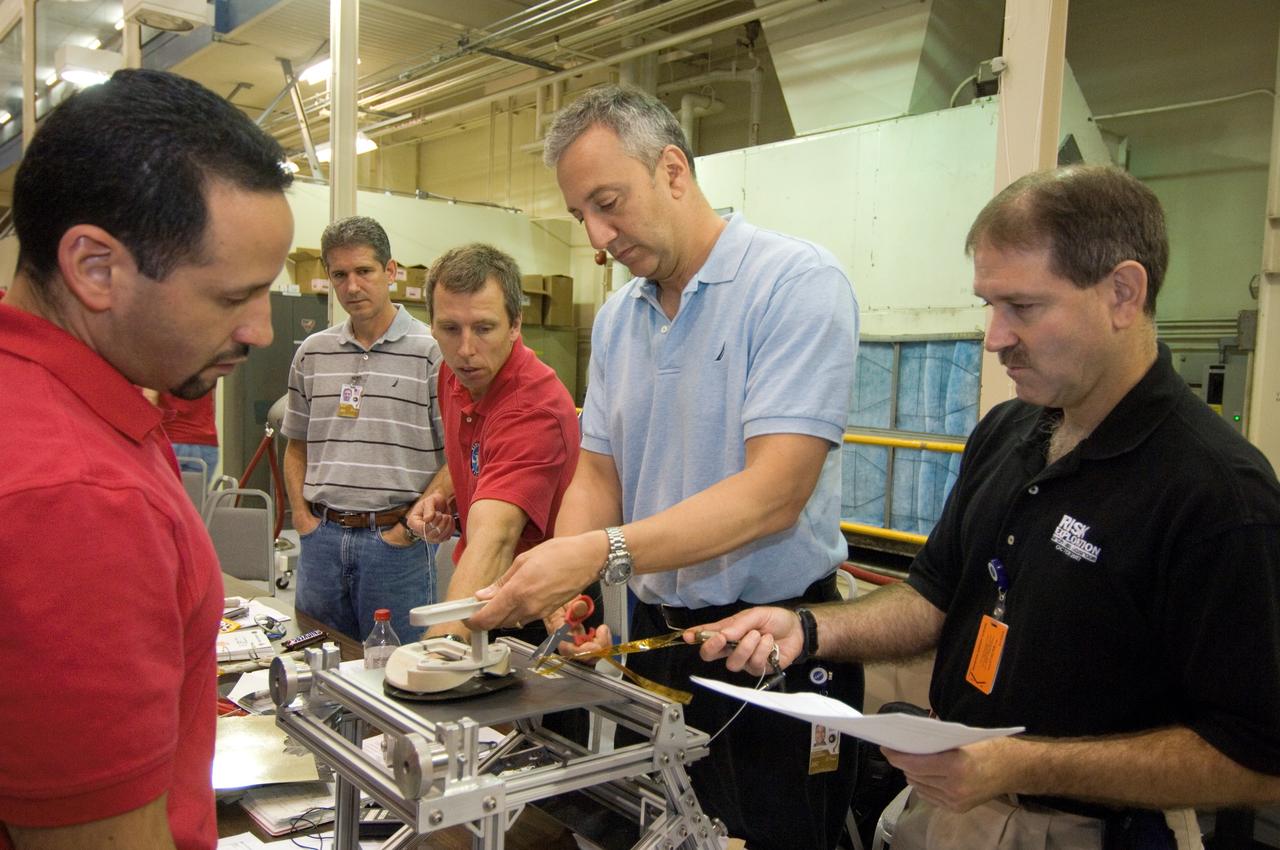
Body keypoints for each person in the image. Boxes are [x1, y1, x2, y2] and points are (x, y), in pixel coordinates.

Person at [693, 165, 1280, 850]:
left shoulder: (1219, 495)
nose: (994, 337)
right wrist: (809, 630)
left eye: (1022, 307)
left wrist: (1020, 763)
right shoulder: (1010, 433)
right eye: (987, 305)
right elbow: (934, 596)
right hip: (951, 808)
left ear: (1123, 292)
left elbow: (1257, 759)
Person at [467, 84, 862, 850]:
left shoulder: (795, 286)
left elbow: (773, 495)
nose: (598, 236)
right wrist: (568, 583)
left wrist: (598, 552)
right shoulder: (622, 316)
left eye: (608, 203)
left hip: (768, 648)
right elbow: (598, 474)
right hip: (656, 643)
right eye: (582, 214)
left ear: (674, 171)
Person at [0, 69, 292, 849]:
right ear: (95, 268)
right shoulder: (81, 498)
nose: (262, 331)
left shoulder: (54, 405)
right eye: (233, 298)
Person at [404, 243, 580, 647]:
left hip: (540, 610)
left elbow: (497, 538)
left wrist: (437, 653)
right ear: (430, 324)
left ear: (515, 324)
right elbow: (475, 451)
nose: (466, 349)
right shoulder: (456, 374)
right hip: (482, 588)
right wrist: (439, 495)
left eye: (484, 328)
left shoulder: (533, 408)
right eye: (450, 329)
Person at [282, 216, 445, 643]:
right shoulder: (312, 354)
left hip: (397, 548)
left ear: (391, 272)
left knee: (398, 676)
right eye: (340, 275)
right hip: (321, 541)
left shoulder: (433, 353)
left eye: (364, 272)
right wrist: (302, 518)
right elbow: (297, 445)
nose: (352, 287)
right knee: (316, 662)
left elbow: (456, 457)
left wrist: (406, 529)